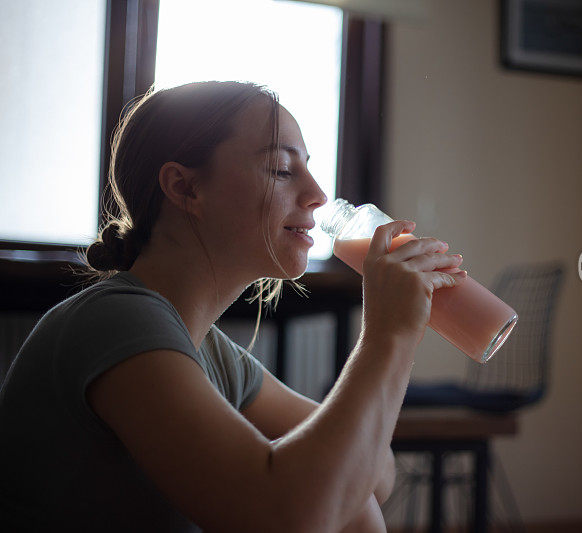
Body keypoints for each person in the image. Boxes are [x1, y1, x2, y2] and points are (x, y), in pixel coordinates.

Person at [0, 80, 467, 532]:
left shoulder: (210, 351)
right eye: (283, 170)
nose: (319, 195)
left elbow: (376, 474)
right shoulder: (116, 320)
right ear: (185, 188)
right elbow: (284, 517)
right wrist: (389, 334)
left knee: (347, 497)